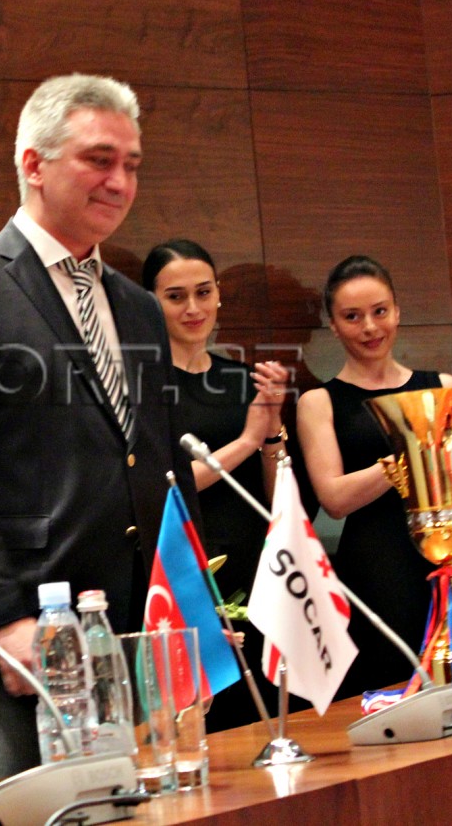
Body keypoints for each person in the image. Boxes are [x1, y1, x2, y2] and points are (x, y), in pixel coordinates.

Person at [0, 74, 200, 781]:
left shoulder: (137, 307)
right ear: (33, 164)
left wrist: (191, 609)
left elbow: (162, 460)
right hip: (34, 635)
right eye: (99, 160)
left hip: (146, 629)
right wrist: (1, 620)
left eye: (131, 165)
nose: (120, 182)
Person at [141, 239, 292, 731]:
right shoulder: (143, 388)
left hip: (257, 573)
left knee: (269, 721)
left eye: (203, 292)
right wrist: (247, 440)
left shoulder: (244, 381)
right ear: (151, 303)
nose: (193, 308)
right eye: (176, 296)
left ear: (219, 294)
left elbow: (280, 499)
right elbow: (165, 487)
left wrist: (272, 432)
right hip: (185, 574)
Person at [296, 254, 452, 699]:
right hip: (375, 564)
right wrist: (407, 452)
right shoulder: (319, 402)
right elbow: (333, 498)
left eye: (379, 311)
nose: (369, 327)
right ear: (333, 325)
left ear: (397, 311)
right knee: (388, 691)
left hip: (446, 552)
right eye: (352, 317)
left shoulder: (442, 387)